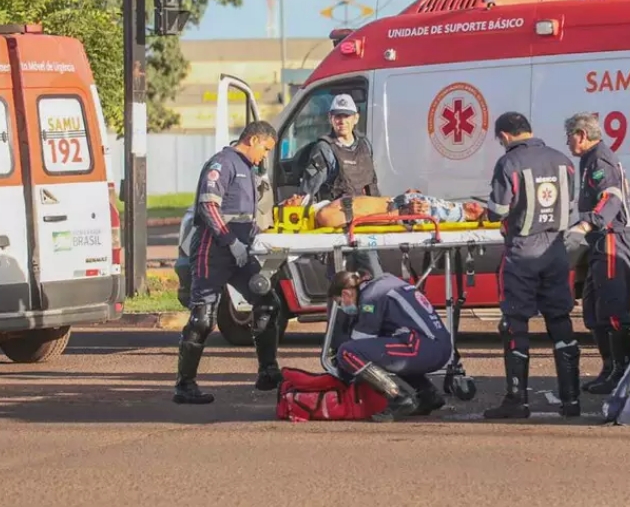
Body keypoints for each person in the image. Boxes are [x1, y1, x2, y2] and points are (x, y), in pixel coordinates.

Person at [174, 121, 282, 405]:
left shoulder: (248, 168)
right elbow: (209, 206)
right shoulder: (223, 163)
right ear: (254, 139)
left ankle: (268, 372)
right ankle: (185, 385)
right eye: (265, 149)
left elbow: (244, 213)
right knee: (202, 318)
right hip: (214, 250)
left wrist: (258, 236)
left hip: (241, 251)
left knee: (267, 302)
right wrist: (229, 241)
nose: (265, 156)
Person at [483, 111, 581, 419]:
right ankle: (572, 400)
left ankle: (517, 400)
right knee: (561, 321)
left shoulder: (509, 163)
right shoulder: (563, 160)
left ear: (505, 136)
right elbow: (569, 204)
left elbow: (498, 210)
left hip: (523, 253)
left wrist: (489, 212)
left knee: (515, 323)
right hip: (555, 250)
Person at [563, 112, 630, 395]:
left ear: (581, 135)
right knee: (594, 310)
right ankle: (609, 367)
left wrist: (587, 224)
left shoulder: (599, 159)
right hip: (597, 242)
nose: (568, 143)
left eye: (569, 136)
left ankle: (622, 370)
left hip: (611, 241)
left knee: (614, 309)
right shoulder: (588, 159)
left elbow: (611, 197)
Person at [327, 270, 453, 422]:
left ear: (346, 294)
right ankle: (428, 394)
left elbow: (358, 343)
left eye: (340, 302)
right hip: (439, 346)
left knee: (347, 353)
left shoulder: (370, 297)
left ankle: (398, 398)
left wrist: (343, 371)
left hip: (422, 347)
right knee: (386, 346)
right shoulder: (385, 282)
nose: (342, 307)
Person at [296, 93, 383, 276]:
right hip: (338, 223)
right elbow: (309, 189)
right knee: (340, 283)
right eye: (337, 116)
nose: (342, 121)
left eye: (346, 116)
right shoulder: (325, 148)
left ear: (355, 118)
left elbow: (372, 182)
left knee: (374, 276)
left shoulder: (365, 145)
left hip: (365, 221)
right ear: (331, 119)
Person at [282, 191, 487, 229]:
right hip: (405, 210)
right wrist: (402, 214)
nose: (290, 197)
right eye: (286, 203)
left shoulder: (325, 207)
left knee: (466, 208)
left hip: (401, 202)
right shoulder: (325, 215)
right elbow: (363, 220)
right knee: (470, 212)